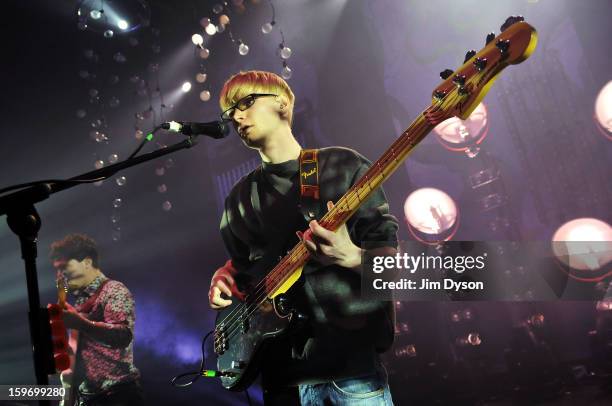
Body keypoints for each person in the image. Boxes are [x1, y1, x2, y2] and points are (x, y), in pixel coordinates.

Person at [208, 70, 398, 405]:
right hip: (281, 380)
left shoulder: (342, 166)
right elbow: (243, 271)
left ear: (281, 102)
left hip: (350, 372)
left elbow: (399, 271)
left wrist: (351, 255)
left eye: (247, 102)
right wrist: (224, 277)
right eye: (230, 111)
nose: (237, 116)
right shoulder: (238, 199)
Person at [50, 233, 143, 406]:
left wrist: (80, 323)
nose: (60, 275)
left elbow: (122, 336)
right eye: (57, 270)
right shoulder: (78, 302)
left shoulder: (114, 290)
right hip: (88, 399)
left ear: (86, 262)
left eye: (64, 267)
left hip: (117, 396)